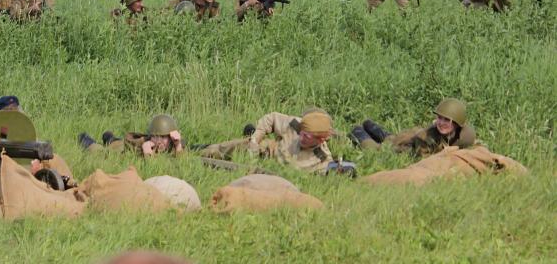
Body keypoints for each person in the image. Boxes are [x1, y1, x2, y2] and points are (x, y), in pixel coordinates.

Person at [198, 109, 336, 174]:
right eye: (302, 134)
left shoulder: (322, 158)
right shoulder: (296, 125)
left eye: (307, 137)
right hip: (266, 151)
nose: (301, 137)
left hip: (270, 171)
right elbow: (271, 118)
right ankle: (195, 151)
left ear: (321, 139)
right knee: (220, 149)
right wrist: (255, 139)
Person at [350, 98, 476, 159]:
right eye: (439, 118)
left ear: (457, 123)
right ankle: (356, 128)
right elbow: (425, 161)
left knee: (390, 137)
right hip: (404, 148)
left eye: (446, 120)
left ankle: (367, 123)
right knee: (377, 148)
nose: (441, 123)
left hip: (408, 136)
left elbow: (476, 147)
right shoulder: (426, 137)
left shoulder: (466, 135)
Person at [79, 115, 184, 157]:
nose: (159, 141)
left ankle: (109, 137)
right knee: (97, 149)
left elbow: (180, 163)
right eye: (156, 136)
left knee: (112, 140)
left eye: (164, 137)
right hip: (120, 149)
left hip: (119, 142)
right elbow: (149, 168)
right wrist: (147, 153)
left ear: (170, 138)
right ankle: (84, 137)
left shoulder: (172, 146)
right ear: (150, 136)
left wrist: (178, 145)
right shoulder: (142, 146)